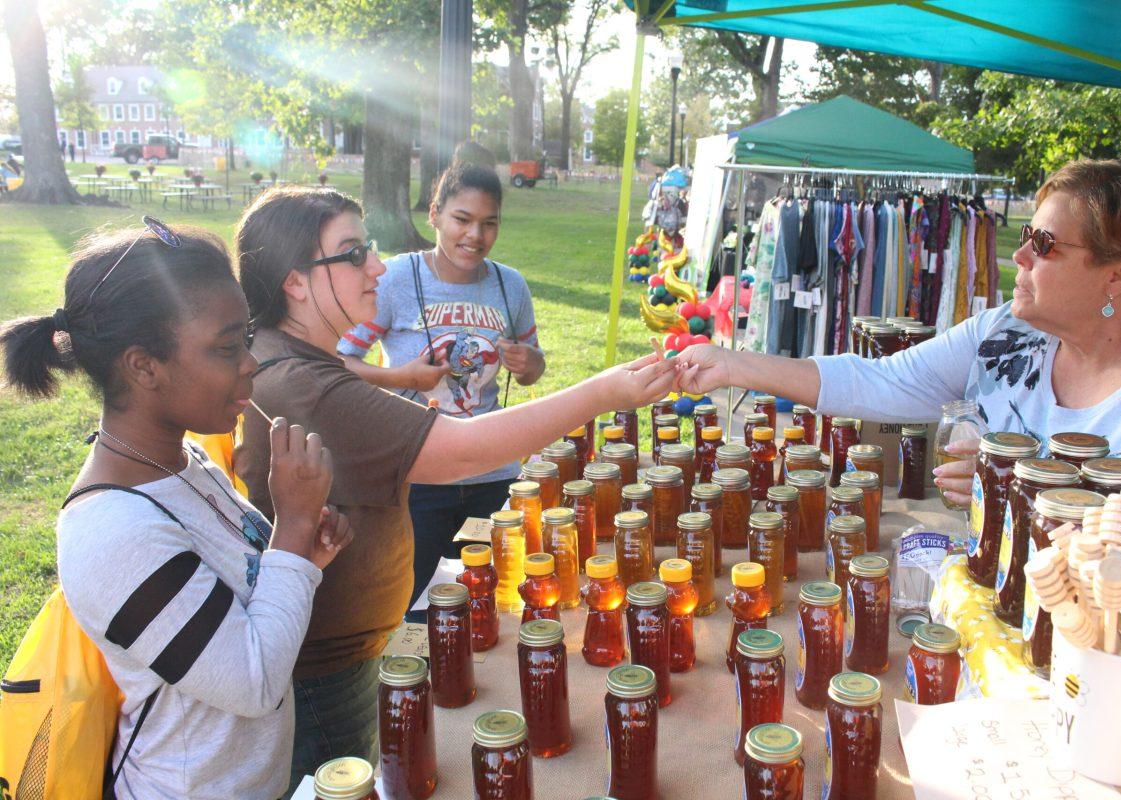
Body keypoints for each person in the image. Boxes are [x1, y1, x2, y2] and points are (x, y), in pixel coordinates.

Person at [232, 185, 676, 791]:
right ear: (295, 281)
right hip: (323, 678)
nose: (377, 266)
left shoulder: (297, 361)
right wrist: (605, 391)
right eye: (353, 251)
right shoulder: (301, 383)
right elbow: (459, 451)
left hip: (340, 655)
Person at [0, 221, 352, 798]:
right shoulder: (113, 532)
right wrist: (290, 524)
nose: (249, 364)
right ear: (144, 367)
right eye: (225, 346)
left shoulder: (182, 461)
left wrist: (304, 550)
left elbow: (247, 598)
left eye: (246, 339)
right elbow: (253, 680)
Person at [676, 158, 1121, 507]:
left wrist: (1010, 486)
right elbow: (885, 381)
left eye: (1044, 244)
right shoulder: (1009, 333)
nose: (1018, 256)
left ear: (1119, 274)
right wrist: (732, 364)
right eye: (1025, 235)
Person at [339, 158, 545, 603]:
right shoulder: (395, 280)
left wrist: (527, 362)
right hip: (419, 476)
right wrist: (402, 376)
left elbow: (533, 372)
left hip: (494, 475)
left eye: (489, 223)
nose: (475, 236)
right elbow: (337, 364)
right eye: (462, 219)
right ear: (434, 214)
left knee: (490, 599)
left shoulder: (511, 287)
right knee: (412, 605)